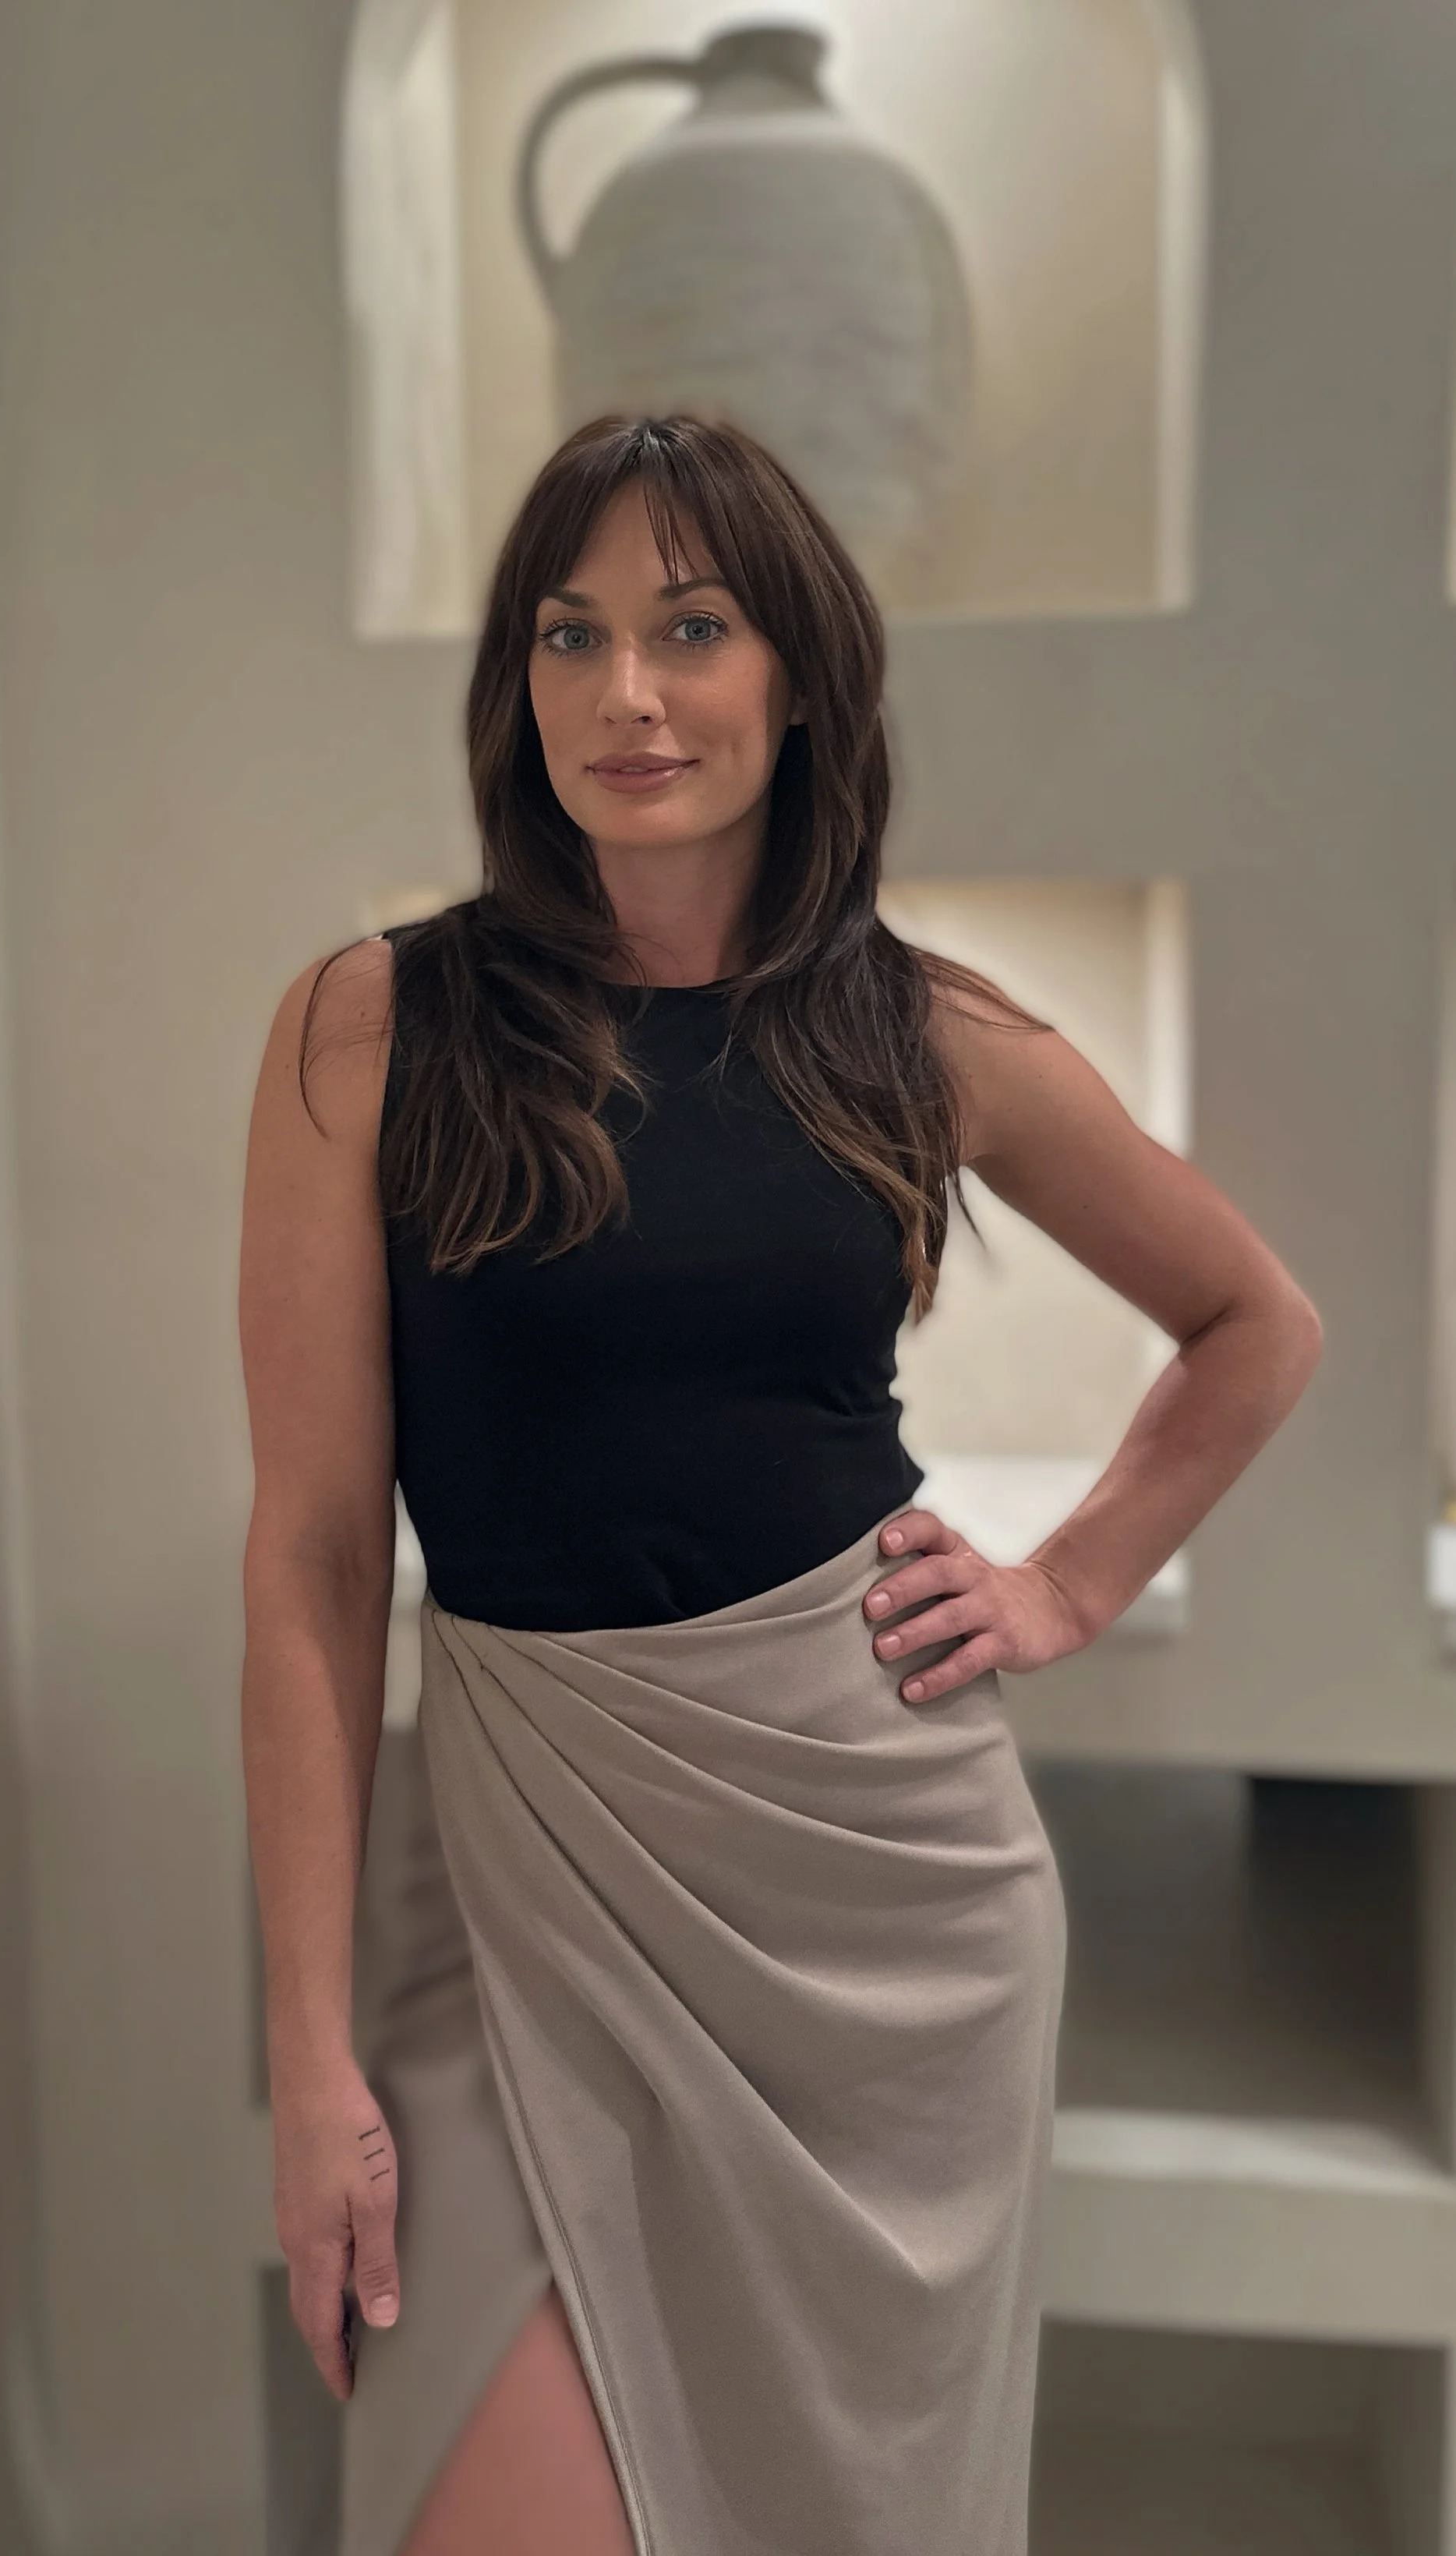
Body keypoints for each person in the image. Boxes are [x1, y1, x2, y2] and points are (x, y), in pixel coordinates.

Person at [237, 415, 1322, 2556]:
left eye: (691, 628)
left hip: (877, 1890)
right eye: (570, 634)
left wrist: (1065, 1583)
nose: (625, 694)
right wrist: (307, 2047)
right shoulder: (372, 1026)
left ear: (798, 677)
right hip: (528, 1859)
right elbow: (315, 1556)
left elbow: (1251, 1318)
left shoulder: (914, 1030)